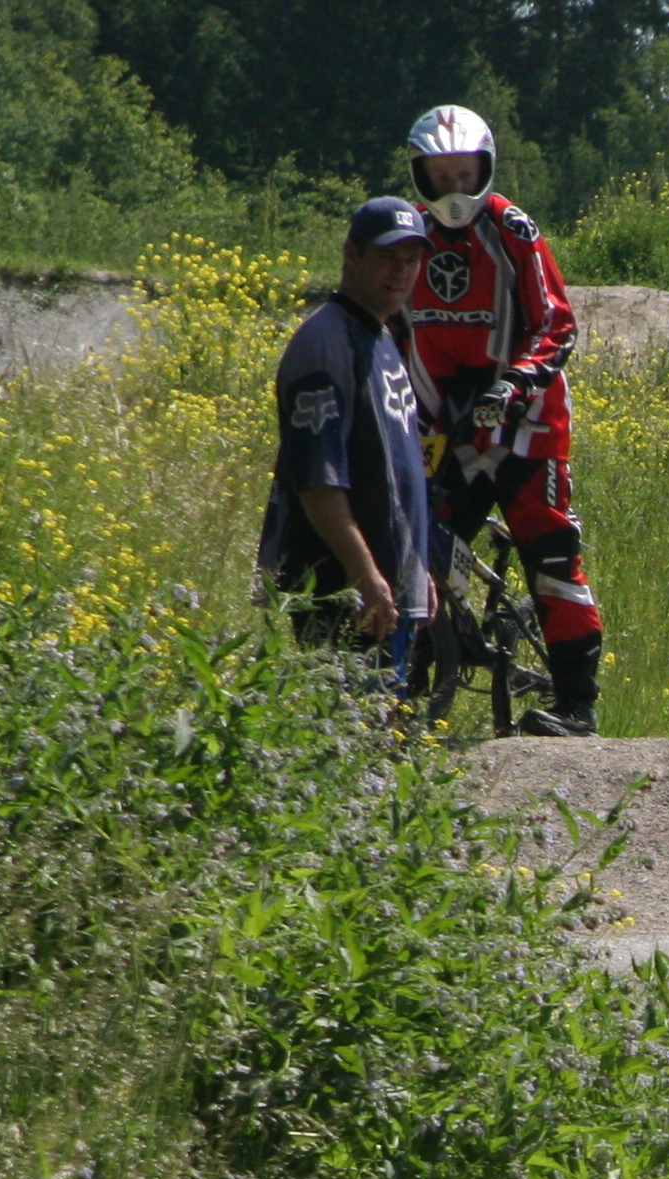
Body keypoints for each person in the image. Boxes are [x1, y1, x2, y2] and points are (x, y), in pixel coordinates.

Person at [400, 102, 606, 736]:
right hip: (446, 429)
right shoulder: (408, 237)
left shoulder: (513, 228)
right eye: (441, 176)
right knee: (418, 549)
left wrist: (517, 381)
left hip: (528, 427)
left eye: (465, 174)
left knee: (551, 555)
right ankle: (404, 696)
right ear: (420, 175)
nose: (454, 189)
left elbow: (556, 323)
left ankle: (577, 706)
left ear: (485, 169)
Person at [256, 197, 435, 693]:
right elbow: (318, 480)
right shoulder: (326, 344)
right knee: (348, 728)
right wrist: (363, 573)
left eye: (411, 261)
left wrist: (415, 571)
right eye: (388, 258)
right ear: (351, 255)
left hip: (386, 591)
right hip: (343, 593)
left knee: (382, 729)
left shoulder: (380, 336)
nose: (401, 273)